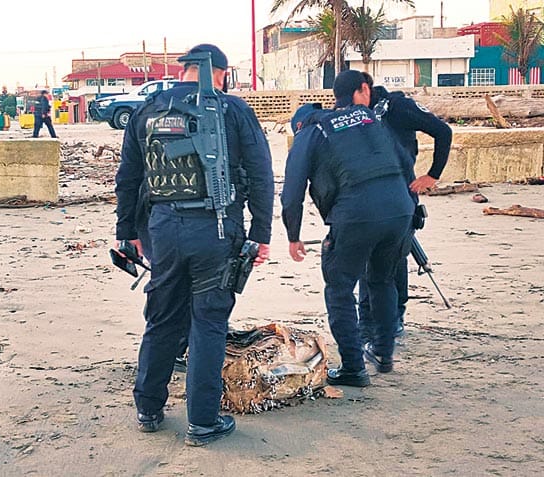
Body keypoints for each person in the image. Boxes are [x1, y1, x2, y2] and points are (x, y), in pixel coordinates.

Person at [115, 43, 274, 446]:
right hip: (217, 229)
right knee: (208, 322)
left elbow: (129, 176)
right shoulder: (233, 109)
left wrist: (127, 231)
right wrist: (261, 234)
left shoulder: (149, 107)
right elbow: (260, 174)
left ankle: (148, 408)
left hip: (163, 228)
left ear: (184, 69)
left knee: (163, 317)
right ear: (220, 72)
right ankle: (203, 422)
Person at [281, 70, 417, 387]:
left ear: (298, 124)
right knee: (383, 280)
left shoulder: (310, 132)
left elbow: (292, 190)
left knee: (339, 288)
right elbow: (405, 161)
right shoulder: (369, 120)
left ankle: (354, 368)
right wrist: (410, 206)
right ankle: (383, 353)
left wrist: (293, 235)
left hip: (356, 213)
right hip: (399, 210)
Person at [357, 72, 452, 343]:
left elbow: (443, 132)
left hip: (401, 191)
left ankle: (394, 316)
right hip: (369, 194)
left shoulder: (398, 107)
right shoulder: (357, 113)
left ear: (365, 89)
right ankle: (370, 319)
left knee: (394, 256)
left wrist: (432, 175)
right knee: (370, 257)